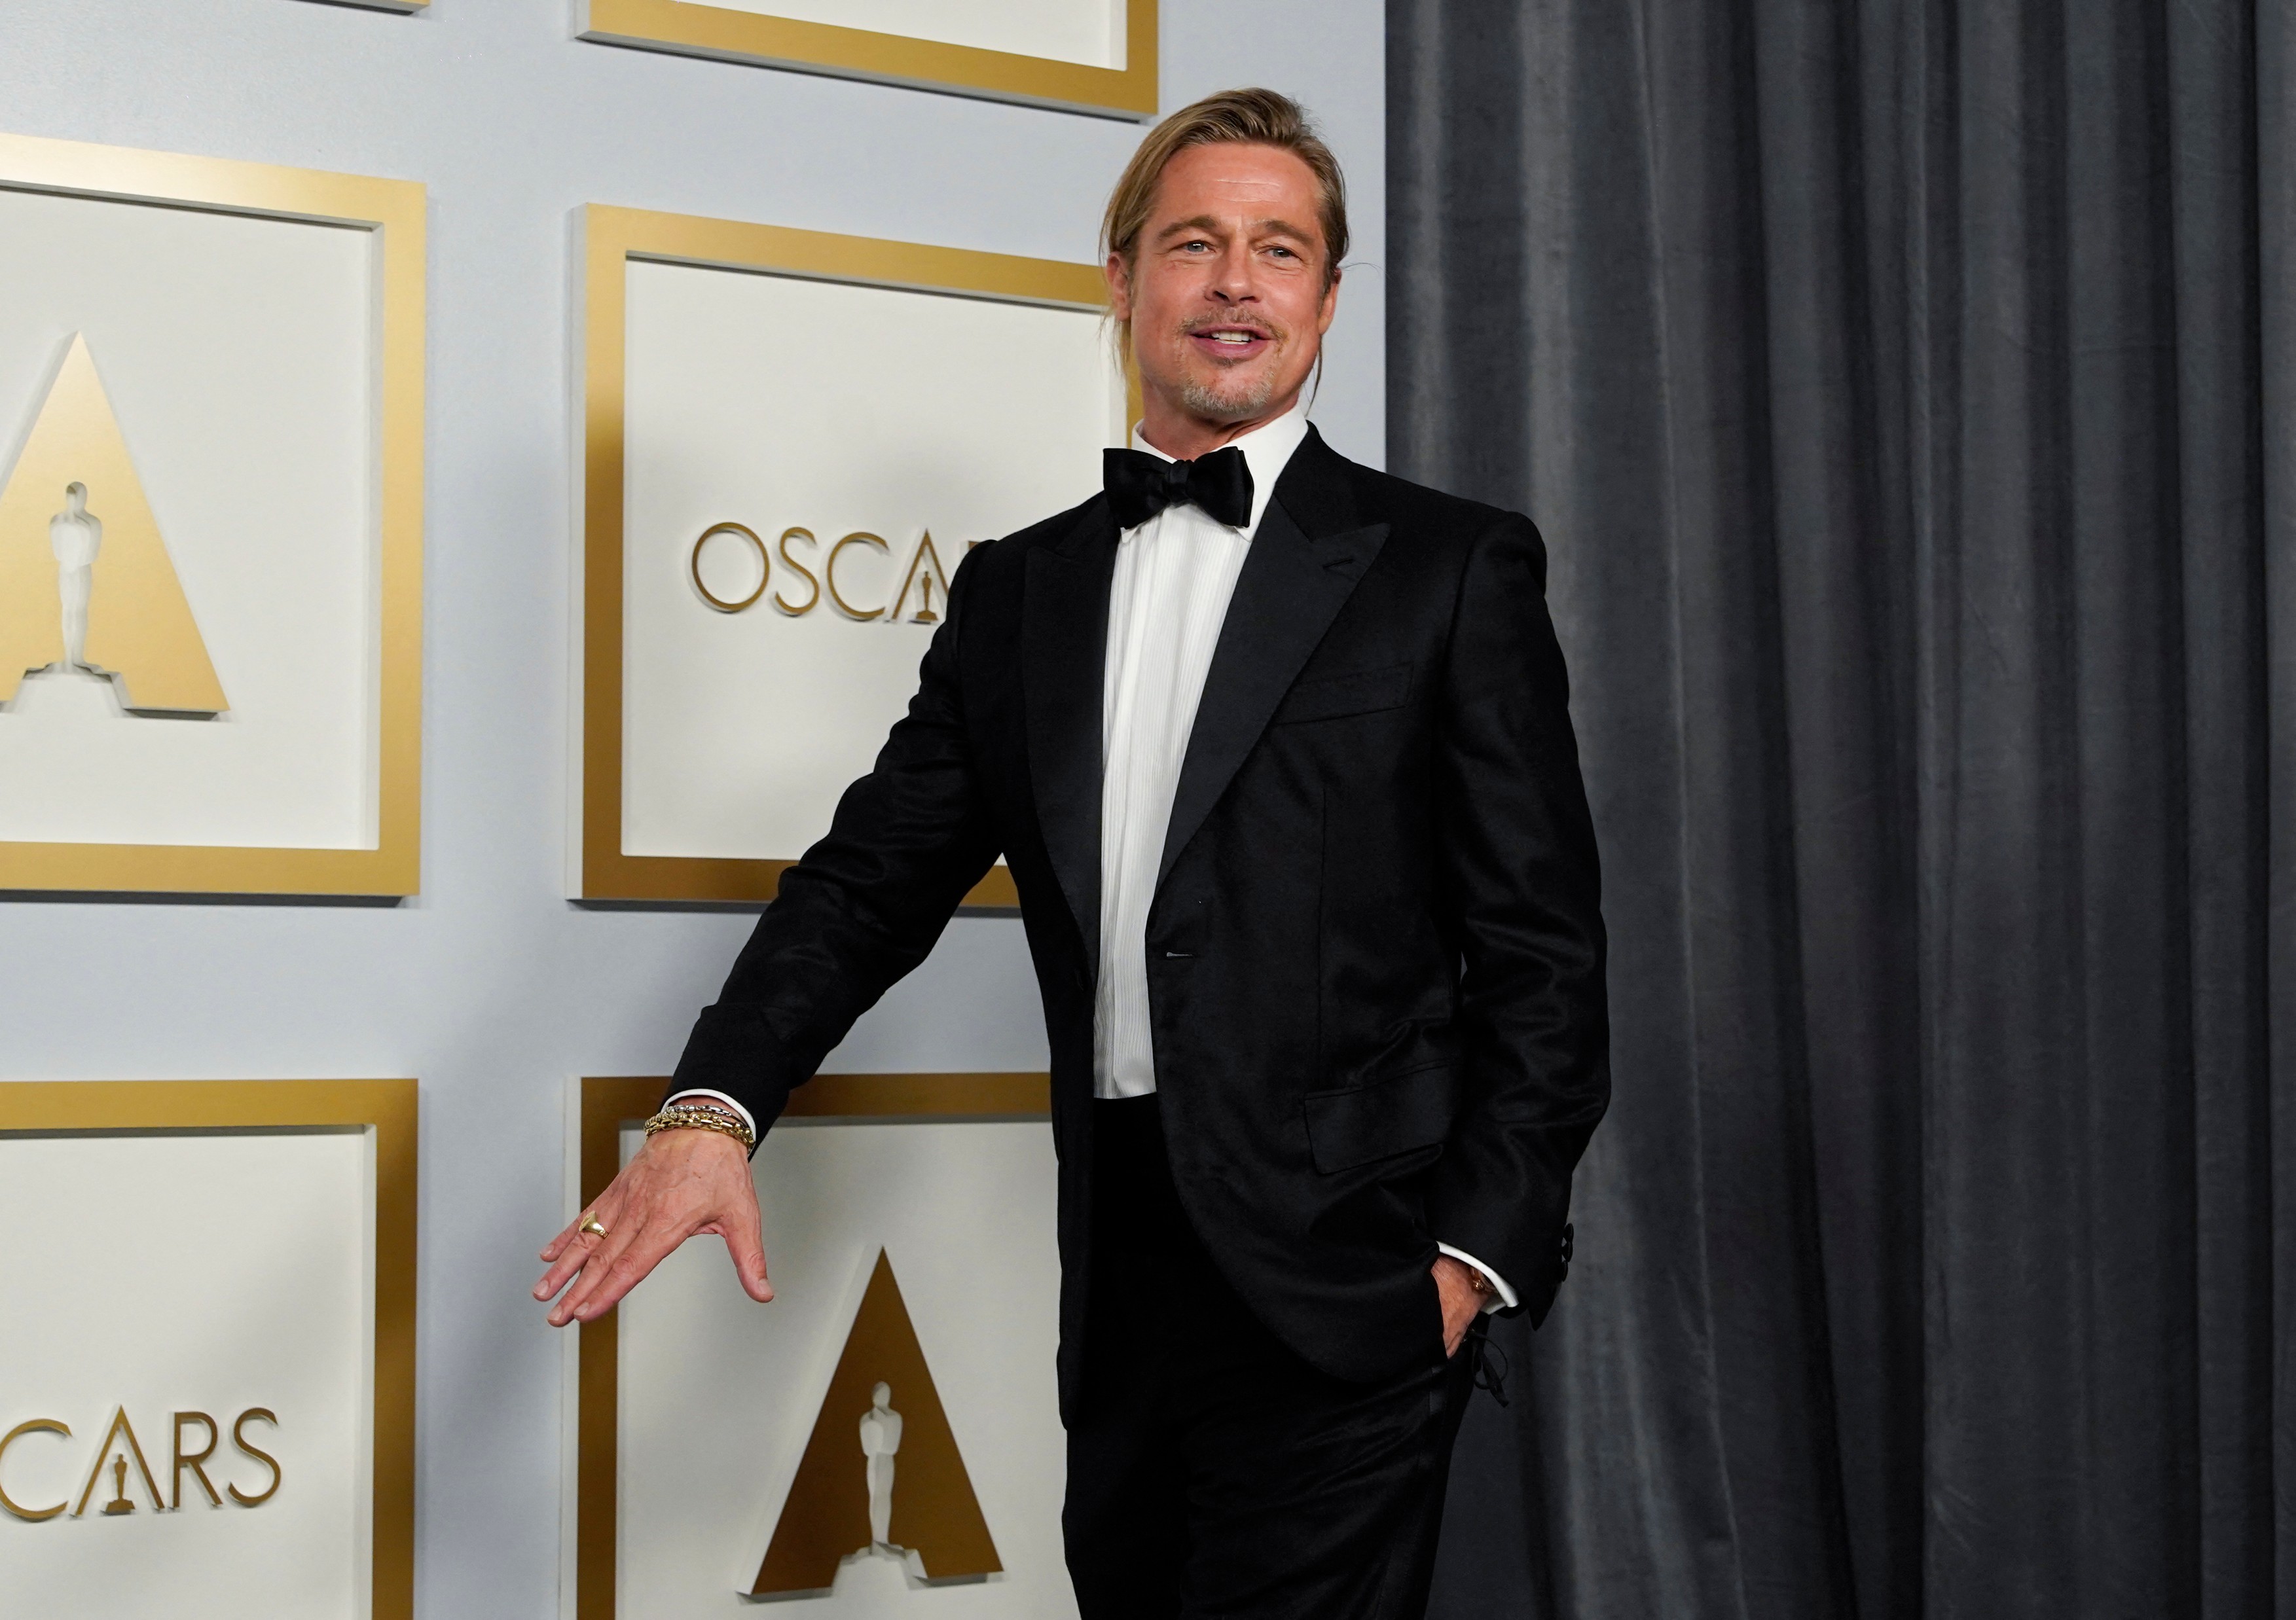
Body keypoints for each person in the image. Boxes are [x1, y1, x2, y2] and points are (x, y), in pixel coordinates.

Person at [536, 86, 1609, 1620]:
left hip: (1351, 1285)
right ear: (1120, 278)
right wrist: (713, 1108)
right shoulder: (1016, 593)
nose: (1237, 281)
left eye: (1280, 249)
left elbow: (1544, 957)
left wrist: (1466, 1263)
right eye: (1195, 243)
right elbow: (866, 883)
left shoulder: (1448, 568)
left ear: (1326, 297)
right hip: (1121, 1290)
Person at [50, 482, 101, 671]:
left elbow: (90, 554)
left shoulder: (90, 523)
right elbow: (58, 551)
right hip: (70, 569)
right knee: (69, 610)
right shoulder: (59, 521)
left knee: (76, 610)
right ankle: (70, 657)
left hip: (78, 569)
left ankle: (76, 657)